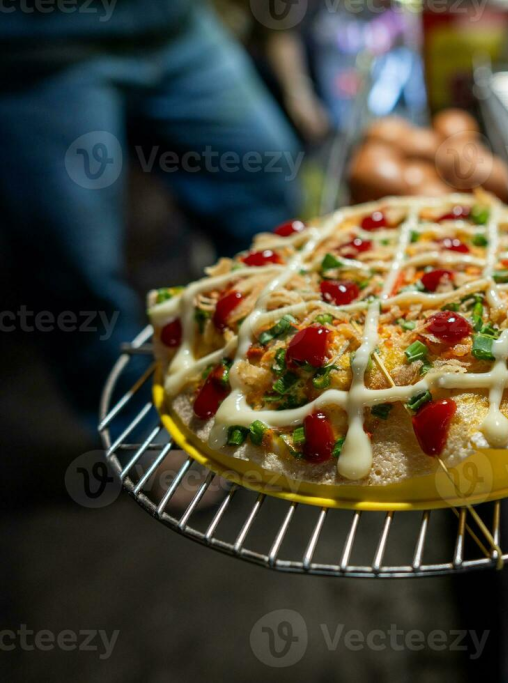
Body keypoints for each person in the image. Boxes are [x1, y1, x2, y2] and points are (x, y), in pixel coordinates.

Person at [0, 0, 302, 419]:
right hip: (36, 46)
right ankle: (137, 430)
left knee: (269, 193)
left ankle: (284, 374)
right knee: (75, 267)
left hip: (174, 22)